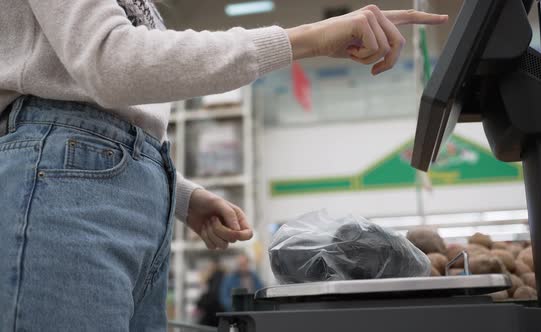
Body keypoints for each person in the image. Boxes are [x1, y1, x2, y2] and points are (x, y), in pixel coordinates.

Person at [0, 0, 447, 330]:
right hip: (59, 186)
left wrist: (180, 193)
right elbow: (111, 61)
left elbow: (115, 102)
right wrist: (305, 39)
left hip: (113, 192)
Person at [196, 258, 226, 327]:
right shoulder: (222, 275)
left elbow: (212, 292)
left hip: (213, 307)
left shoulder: (215, 276)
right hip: (218, 307)